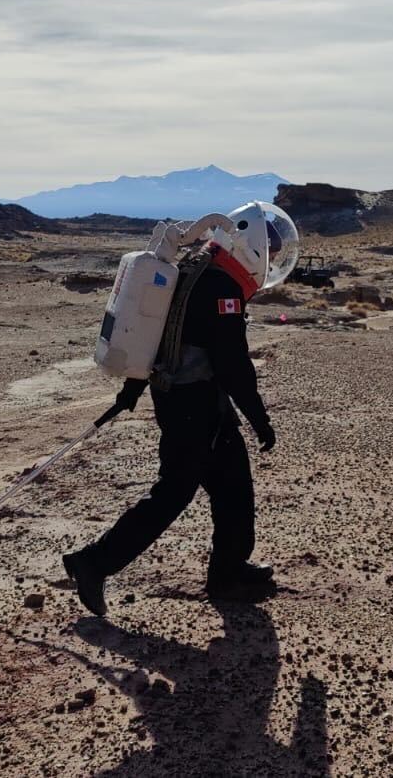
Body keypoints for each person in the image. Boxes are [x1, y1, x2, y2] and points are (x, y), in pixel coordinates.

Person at [63, 202, 300, 617]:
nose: (274, 259)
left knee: (234, 487)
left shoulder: (198, 269)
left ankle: (229, 573)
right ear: (253, 245)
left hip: (194, 398)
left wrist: (135, 386)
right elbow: (232, 363)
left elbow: (161, 332)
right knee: (173, 493)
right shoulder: (221, 286)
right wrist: (259, 416)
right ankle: (92, 563)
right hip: (193, 404)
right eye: (273, 251)